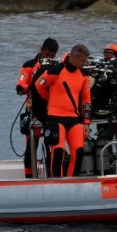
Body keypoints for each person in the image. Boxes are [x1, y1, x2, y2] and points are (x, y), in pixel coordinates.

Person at [34, 44, 91, 178]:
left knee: (79, 152)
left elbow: (86, 101)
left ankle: (73, 181)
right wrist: (50, 98)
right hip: (55, 117)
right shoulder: (56, 70)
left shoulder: (83, 75)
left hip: (74, 118)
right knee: (58, 151)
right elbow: (39, 85)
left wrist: (87, 122)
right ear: (75, 57)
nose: (85, 64)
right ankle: (57, 182)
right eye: (83, 61)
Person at [17, 38, 59, 177]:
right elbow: (21, 85)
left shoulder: (56, 67)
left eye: (51, 56)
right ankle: (29, 176)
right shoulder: (29, 65)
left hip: (52, 109)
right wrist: (29, 87)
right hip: (33, 110)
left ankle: (54, 174)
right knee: (31, 146)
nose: (49, 58)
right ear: (41, 50)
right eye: (47, 54)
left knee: (53, 142)